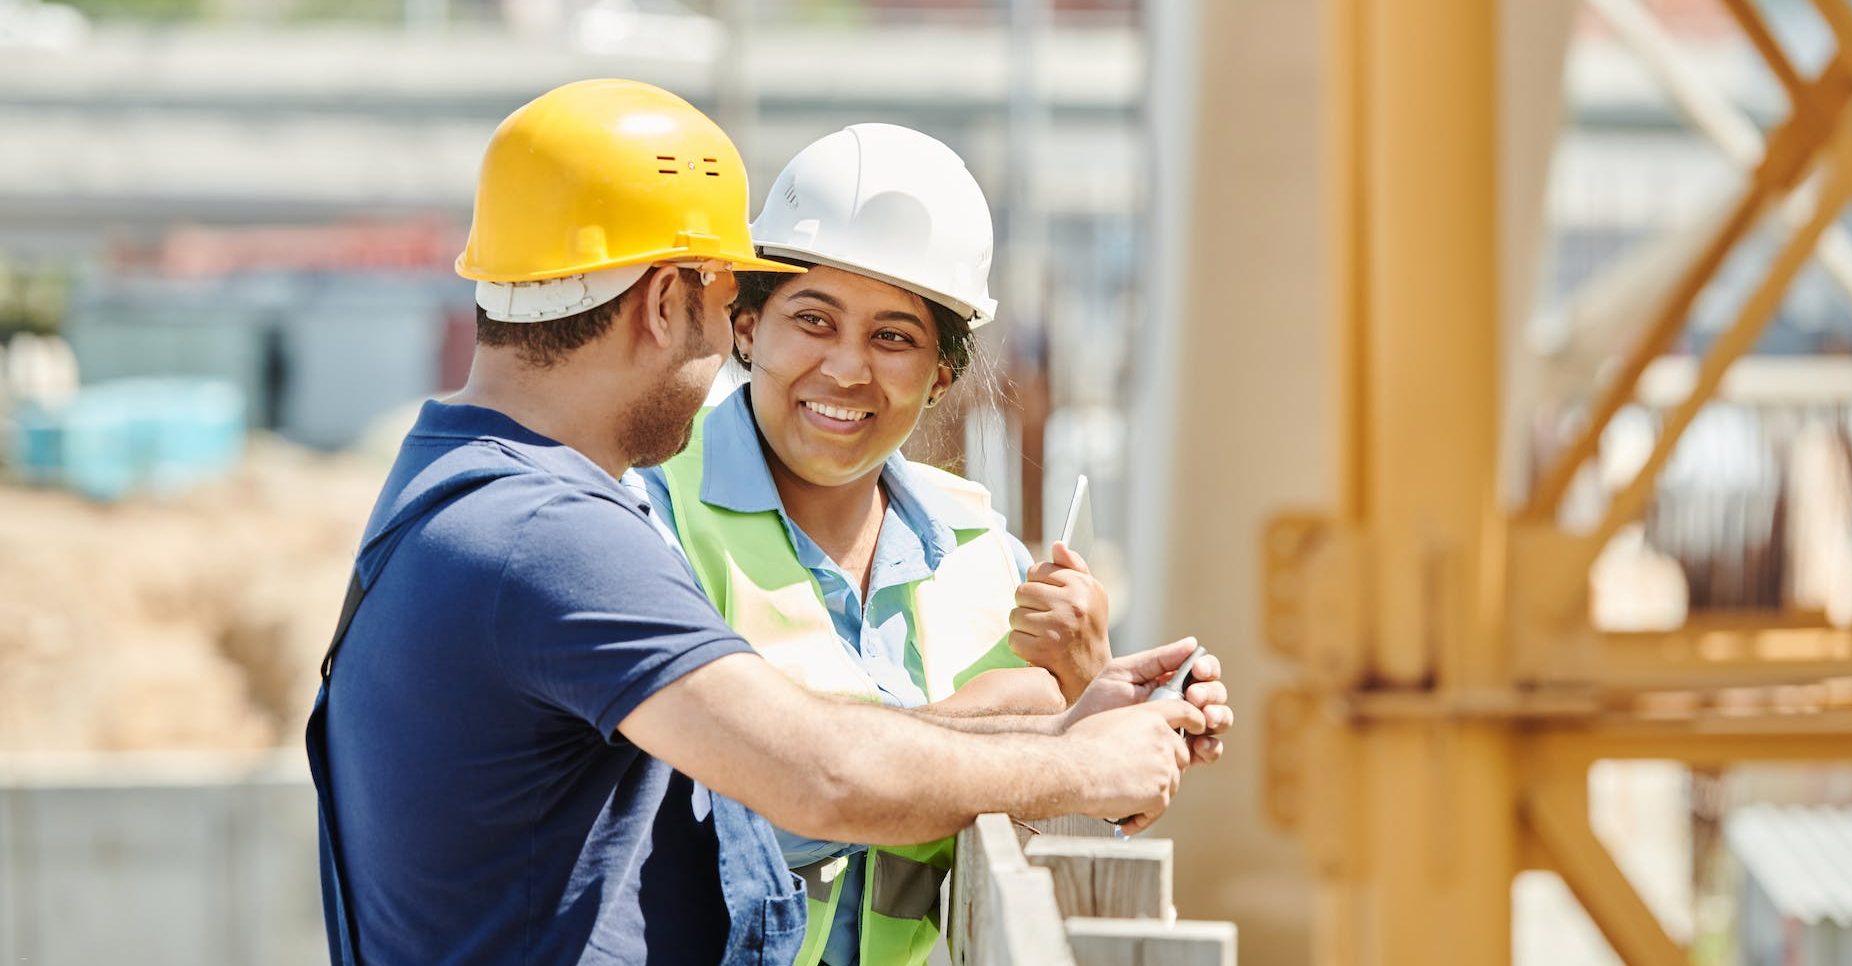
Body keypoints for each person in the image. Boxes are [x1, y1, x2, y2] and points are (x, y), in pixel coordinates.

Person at [306, 80, 1230, 965]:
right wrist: (1075, 767)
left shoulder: (465, 488)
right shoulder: (552, 536)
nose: (725, 350)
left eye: (893, 336)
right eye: (728, 308)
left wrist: (1068, 721)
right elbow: (816, 774)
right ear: (668, 303)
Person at [627, 123, 1224, 966]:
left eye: (893, 336)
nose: (845, 369)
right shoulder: (649, 516)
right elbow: (708, 818)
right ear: (747, 329)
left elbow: (1062, 829)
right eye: (814, 319)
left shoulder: (989, 556)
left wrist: (1092, 690)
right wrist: (993, 723)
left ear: (941, 375)